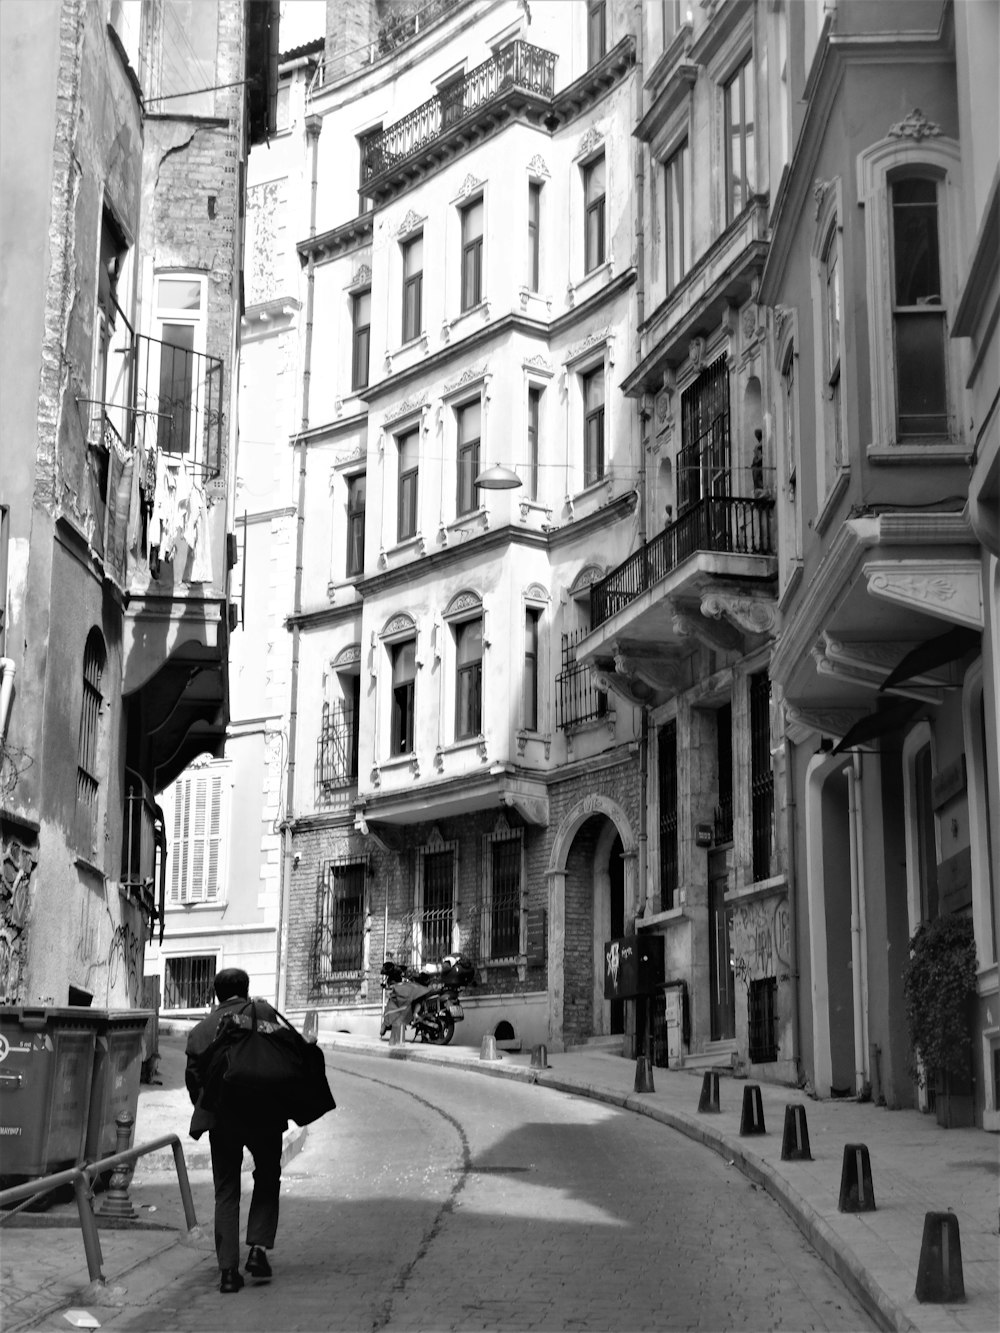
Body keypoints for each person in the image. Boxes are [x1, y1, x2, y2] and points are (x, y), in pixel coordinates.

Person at [185, 968, 285, 1294]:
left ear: (216, 994)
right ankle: (257, 1248)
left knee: (226, 1191)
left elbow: (193, 1082)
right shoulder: (264, 1014)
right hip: (264, 1115)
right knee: (268, 1176)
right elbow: (284, 1055)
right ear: (245, 989)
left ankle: (228, 1272)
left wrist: (211, 1103)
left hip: (223, 1119)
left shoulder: (200, 1031)